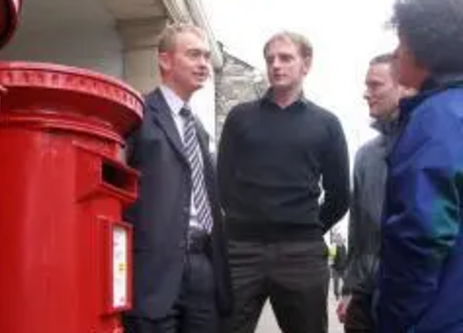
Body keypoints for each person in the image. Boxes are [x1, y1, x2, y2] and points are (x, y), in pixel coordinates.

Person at [217, 31, 350, 333]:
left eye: (286, 57)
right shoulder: (240, 118)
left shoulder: (327, 124)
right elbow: (223, 182)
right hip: (241, 250)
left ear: (306, 64)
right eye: (270, 59)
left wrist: (306, 225)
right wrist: (247, 221)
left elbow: (340, 194)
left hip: (301, 253)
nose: (276, 65)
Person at [123, 23, 232, 333]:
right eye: (193, 55)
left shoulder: (197, 129)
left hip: (202, 267)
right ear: (165, 60)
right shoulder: (137, 113)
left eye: (206, 57)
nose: (203, 64)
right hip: (154, 270)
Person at [376, 0, 463, 332]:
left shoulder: (436, 120)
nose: (396, 53)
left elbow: (421, 233)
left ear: (423, 48)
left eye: (402, 42)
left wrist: (393, 317)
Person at [336, 53, 408, 333]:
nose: (367, 94)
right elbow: (357, 228)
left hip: (409, 293)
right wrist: (349, 288)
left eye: (375, 85)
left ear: (402, 85)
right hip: (365, 297)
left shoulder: (428, 142)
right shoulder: (366, 156)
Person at [331, 235, 347, 300]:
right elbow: (331, 258)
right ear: (336, 240)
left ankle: (344, 293)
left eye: (340, 238)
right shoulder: (334, 247)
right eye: (338, 239)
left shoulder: (344, 247)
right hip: (335, 269)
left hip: (343, 268)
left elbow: (345, 257)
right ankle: (336, 294)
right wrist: (332, 266)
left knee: (346, 282)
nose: (339, 240)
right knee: (336, 283)